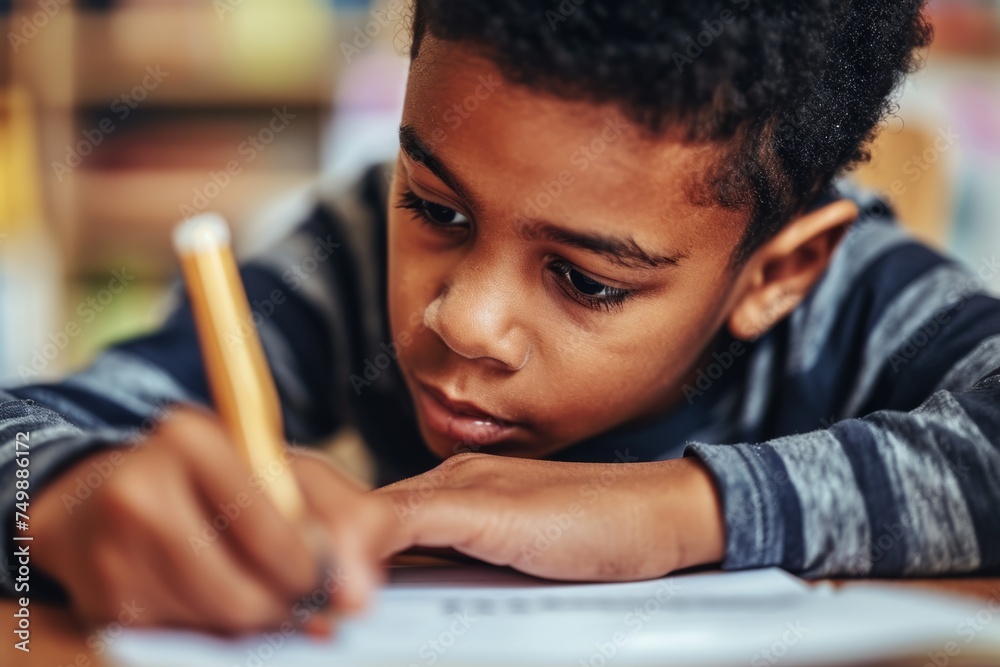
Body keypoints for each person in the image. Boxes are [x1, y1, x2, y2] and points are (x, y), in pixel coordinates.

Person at [4, 0, 998, 634]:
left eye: (586, 280)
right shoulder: (348, 253)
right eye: (435, 210)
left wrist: (677, 511)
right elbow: (31, 427)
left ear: (776, 274)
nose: (462, 320)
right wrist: (73, 503)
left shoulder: (852, 299)